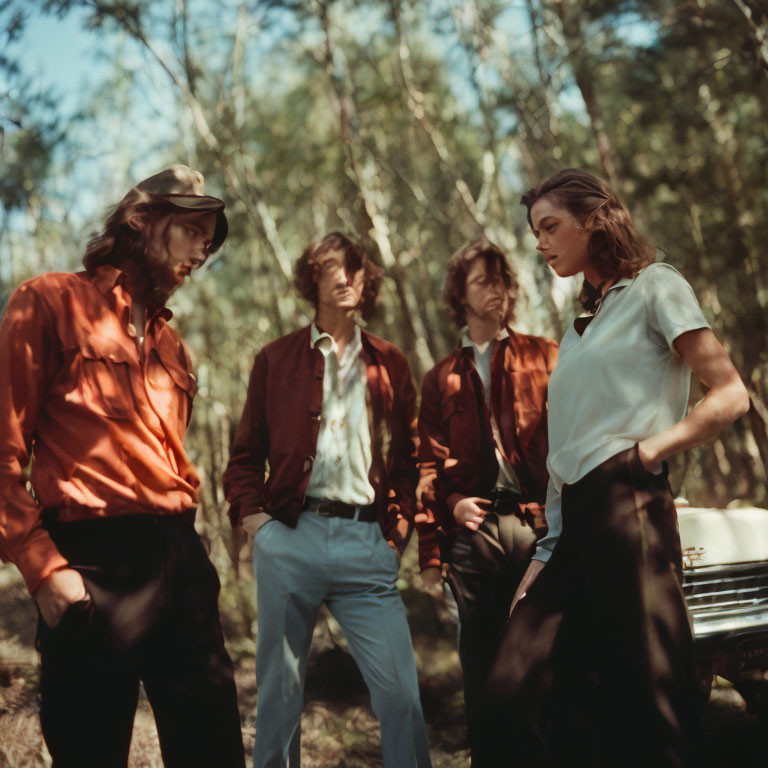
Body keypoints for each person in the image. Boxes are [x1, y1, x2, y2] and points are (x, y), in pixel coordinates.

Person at [487, 168, 750, 767]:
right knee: (513, 689)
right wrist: (547, 550)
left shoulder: (656, 285)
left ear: (594, 219)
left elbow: (730, 394)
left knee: (649, 700)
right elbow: (565, 450)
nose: (542, 242)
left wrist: (648, 454)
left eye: (551, 227)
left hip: (630, 501)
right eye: (535, 232)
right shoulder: (578, 329)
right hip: (573, 520)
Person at [0, 165, 245, 768]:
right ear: (141, 219)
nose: (202, 250)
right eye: (191, 230)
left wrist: (193, 567)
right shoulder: (49, 300)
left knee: (213, 750)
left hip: (181, 562)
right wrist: (43, 569)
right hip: (90, 564)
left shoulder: (174, 346)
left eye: (209, 241)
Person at [223, 231, 432, 768]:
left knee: (402, 698)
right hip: (292, 536)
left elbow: (410, 461)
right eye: (332, 268)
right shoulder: (274, 360)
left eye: (356, 270)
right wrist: (258, 527)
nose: (345, 278)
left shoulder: (390, 363)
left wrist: (397, 535)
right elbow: (245, 456)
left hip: (369, 544)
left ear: (367, 281)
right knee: (278, 698)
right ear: (311, 278)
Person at [415, 238, 557, 766]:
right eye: (482, 281)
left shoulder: (546, 356)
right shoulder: (440, 377)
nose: (495, 291)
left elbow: (568, 443)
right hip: (473, 535)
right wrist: (448, 515)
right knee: (480, 665)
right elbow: (426, 468)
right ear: (460, 294)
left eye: (502, 280)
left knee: (544, 659)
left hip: (537, 526)